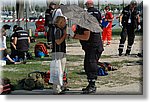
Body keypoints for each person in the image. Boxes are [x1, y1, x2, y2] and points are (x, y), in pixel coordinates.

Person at [73, 24, 103, 94]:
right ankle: (90, 84)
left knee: (90, 65)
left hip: (94, 47)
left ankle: (92, 85)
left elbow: (86, 37)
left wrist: (73, 36)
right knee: (87, 65)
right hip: (90, 47)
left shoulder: (85, 22)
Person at [51, 16, 67, 94]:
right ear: (60, 22)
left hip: (59, 52)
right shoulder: (58, 30)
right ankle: (57, 89)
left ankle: (60, 86)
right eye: (64, 21)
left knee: (61, 70)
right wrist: (64, 35)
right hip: (58, 52)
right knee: (58, 70)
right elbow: (58, 42)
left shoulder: (56, 29)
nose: (65, 23)